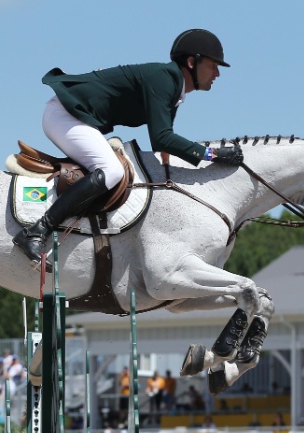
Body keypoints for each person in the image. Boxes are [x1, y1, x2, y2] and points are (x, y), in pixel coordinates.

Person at [13, 29, 241, 270]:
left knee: (116, 170)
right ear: (192, 62)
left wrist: (169, 176)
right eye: (213, 65)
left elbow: (165, 140)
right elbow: (161, 138)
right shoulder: (164, 79)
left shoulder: (173, 86)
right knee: (112, 171)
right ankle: (37, 231)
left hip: (75, 117)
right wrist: (213, 154)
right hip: (65, 115)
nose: (217, 73)